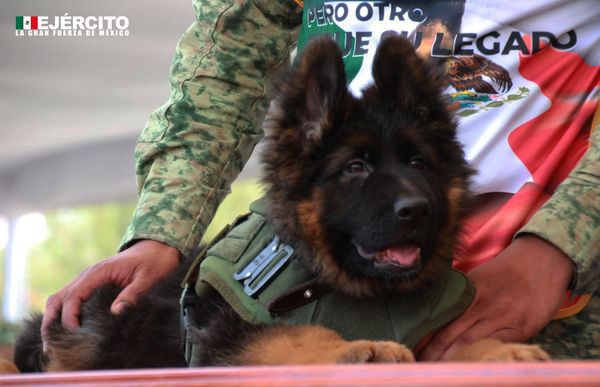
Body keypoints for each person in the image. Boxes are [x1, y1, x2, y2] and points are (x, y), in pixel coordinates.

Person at [42, 0, 600, 360]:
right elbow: (222, 71)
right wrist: (161, 230)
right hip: (319, 296)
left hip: (547, 306)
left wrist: (558, 248)